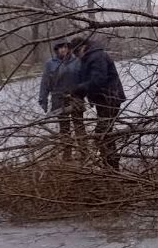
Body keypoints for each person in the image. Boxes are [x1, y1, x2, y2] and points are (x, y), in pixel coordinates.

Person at [71, 37, 126, 169]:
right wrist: (77, 94)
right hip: (102, 100)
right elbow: (86, 80)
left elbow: (98, 80)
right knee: (105, 133)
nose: (77, 56)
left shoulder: (97, 56)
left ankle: (111, 166)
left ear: (83, 47)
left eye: (77, 53)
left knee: (103, 133)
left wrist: (79, 89)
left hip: (110, 98)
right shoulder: (88, 58)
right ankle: (109, 166)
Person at [38, 41, 86, 161]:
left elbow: (84, 80)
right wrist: (43, 100)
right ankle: (67, 155)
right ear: (56, 50)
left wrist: (90, 97)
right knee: (64, 128)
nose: (63, 50)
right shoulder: (50, 64)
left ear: (68, 48)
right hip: (59, 99)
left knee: (79, 126)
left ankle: (84, 152)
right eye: (60, 48)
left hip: (76, 97)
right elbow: (45, 83)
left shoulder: (77, 61)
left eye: (64, 47)